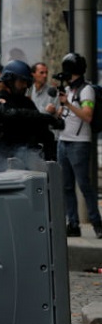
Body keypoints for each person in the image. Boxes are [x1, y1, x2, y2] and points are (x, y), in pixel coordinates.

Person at [0, 60, 63, 175]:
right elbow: (9, 114)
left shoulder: (27, 103)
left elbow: (42, 132)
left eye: (26, 82)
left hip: (24, 167)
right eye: (21, 81)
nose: (25, 86)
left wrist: (50, 158)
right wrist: (45, 117)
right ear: (10, 80)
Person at [56, 52, 102, 239]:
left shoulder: (86, 90)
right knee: (66, 186)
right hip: (63, 140)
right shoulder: (69, 90)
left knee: (84, 185)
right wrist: (59, 110)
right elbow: (68, 114)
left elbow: (87, 115)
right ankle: (72, 223)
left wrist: (68, 104)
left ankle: (97, 223)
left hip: (79, 143)